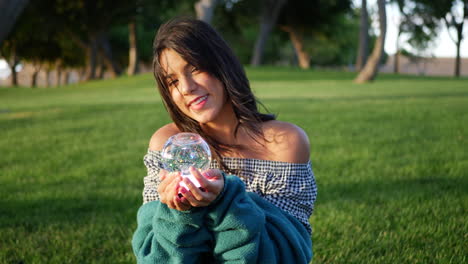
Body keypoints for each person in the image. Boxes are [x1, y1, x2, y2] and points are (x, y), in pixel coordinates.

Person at [132, 17, 317, 264]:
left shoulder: (284, 143)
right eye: (173, 81)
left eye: (195, 68)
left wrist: (226, 200)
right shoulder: (168, 145)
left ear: (222, 65)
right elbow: (154, 258)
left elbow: (288, 255)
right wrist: (177, 214)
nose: (186, 87)